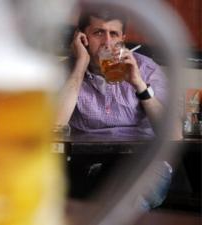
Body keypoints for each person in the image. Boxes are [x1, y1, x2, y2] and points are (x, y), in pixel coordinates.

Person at [57, 5, 176, 210]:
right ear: (81, 36)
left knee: (128, 200)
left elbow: (174, 133)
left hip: (142, 162)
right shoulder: (65, 71)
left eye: (114, 34)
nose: (107, 42)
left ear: (122, 38)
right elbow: (54, 125)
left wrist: (139, 84)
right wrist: (80, 65)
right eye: (98, 33)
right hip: (85, 162)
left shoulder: (146, 69)